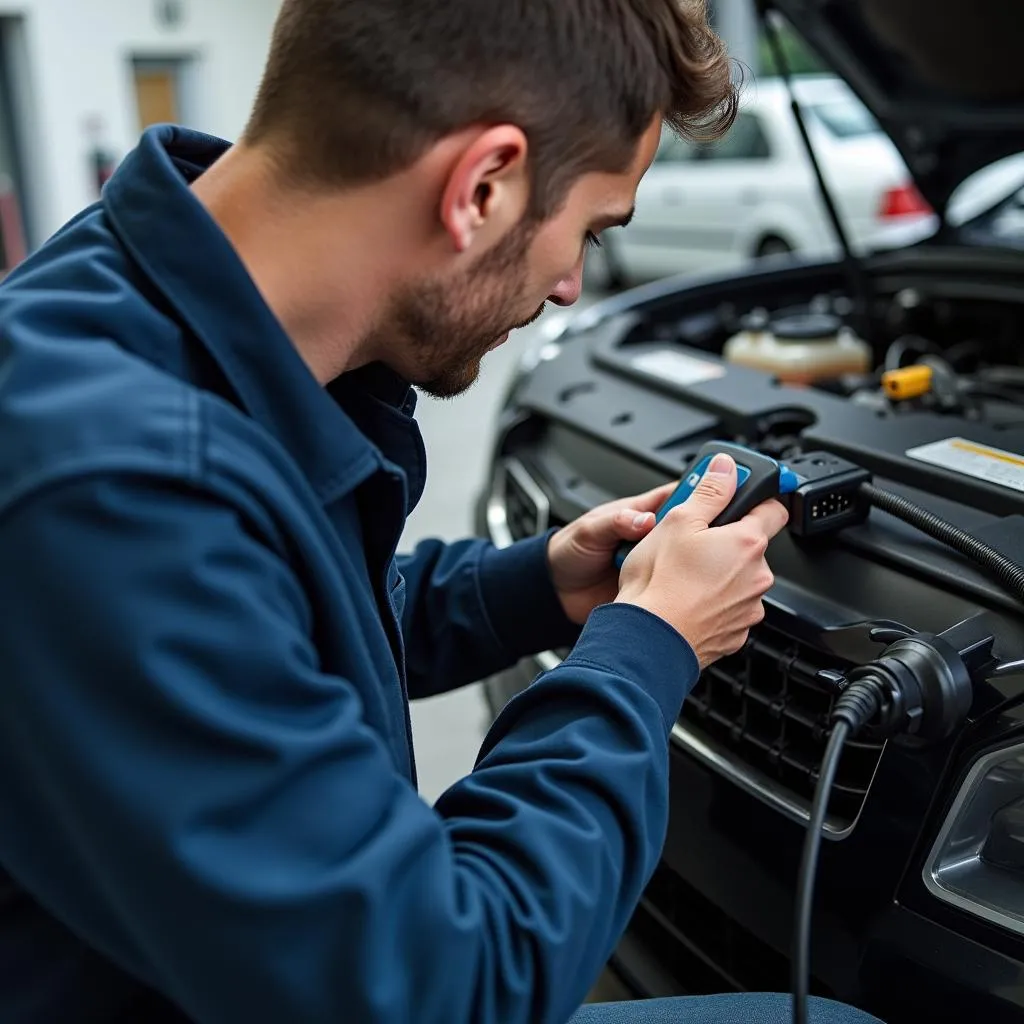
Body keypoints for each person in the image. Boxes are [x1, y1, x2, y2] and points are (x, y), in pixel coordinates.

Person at [0, 2, 884, 1022]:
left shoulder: (146, 303)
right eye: (587, 231)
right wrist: (645, 648)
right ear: (483, 185)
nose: (569, 289)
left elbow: (274, 636)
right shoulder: (109, 486)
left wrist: (533, 586)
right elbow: (450, 987)